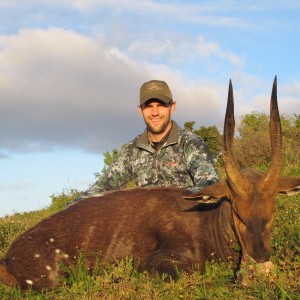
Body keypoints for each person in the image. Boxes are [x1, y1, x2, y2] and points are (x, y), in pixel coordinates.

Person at [71, 80, 219, 204]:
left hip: (184, 224)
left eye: (160, 105)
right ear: (140, 110)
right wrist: (71, 209)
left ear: (172, 107)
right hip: (144, 229)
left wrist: (171, 203)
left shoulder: (190, 143)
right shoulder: (132, 150)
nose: (155, 112)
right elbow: (103, 186)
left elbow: (210, 184)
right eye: (148, 106)